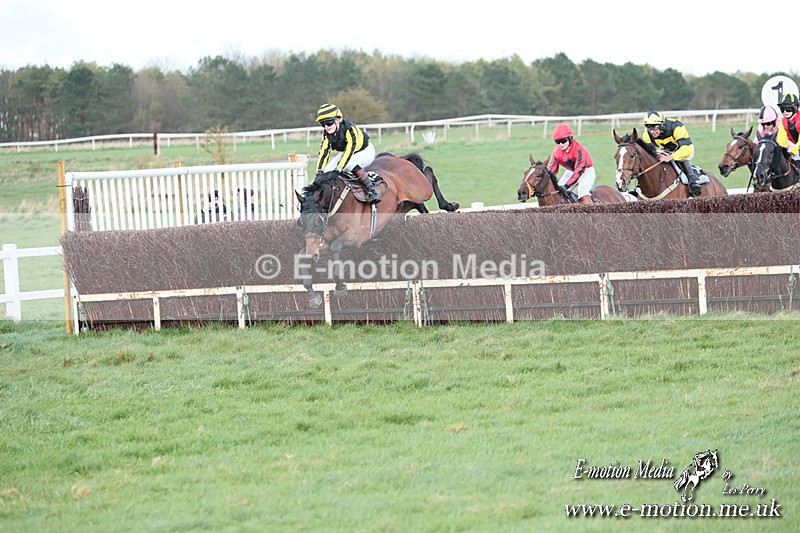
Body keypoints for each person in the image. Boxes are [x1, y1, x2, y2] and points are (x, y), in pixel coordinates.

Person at [314, 103, 380, 204]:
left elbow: (349, 151)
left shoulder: (349, 129)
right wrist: (319, 171)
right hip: (349, 153)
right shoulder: (326, 134)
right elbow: (324, 152)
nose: (326, 127)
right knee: (327, 171)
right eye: (323, 124)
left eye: (329, 122)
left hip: (365, 151)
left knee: (349, 165)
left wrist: (338, 169)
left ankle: (372, 191)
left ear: (338, 119)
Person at [641, 110, 702, 197]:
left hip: (683, 149)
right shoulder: (647, 135)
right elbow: (647, 152)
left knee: (682, 158)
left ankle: (693, 181)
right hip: (665, 150)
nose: (653, 132)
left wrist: (671, 157)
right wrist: (656, 154)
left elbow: (688, 149)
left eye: (655, 128)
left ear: (661, 125)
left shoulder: (677, 127)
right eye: (649, 128)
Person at [546, 123, 596, 204]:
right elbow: (552, 171)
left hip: (586, 171)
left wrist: (566, 186)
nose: (561, 144)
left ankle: (592, 213)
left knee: (582, 192)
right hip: (570, 171)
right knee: (558, 192)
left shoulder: (579, 149)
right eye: (557, 142)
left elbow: (579, 171)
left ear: (570, 138)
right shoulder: (556, 152)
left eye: (563, 141)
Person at [778, 95, 800, 160]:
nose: (785, 112)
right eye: (782, 109)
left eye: (788, 109)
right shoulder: (783, 121)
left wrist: (793, 152)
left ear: (795, 107)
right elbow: (781, 140)